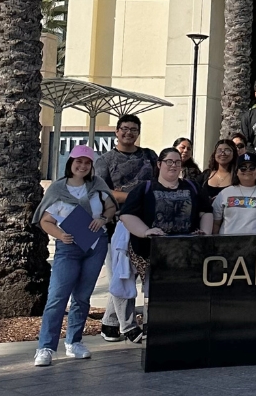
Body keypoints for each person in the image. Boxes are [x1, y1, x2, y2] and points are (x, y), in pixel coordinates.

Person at [32, 145, 116, 366]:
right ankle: (46, 347)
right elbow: (45, 220)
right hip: (68, 248)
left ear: (91, 166)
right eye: (78, 161)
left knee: (82, 296)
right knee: (57, 297)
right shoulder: (57, 189)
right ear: (70, 163)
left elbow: (110, 208)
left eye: (87, 163)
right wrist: (60, 234)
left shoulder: (97, 186)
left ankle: (74, 342)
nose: (82, 166)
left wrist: (103, 219)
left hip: (95, 246)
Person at [119, 147, 213, 322]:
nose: (173, 165)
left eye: (177, 162)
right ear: (159, 164)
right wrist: (146, 232)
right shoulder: (144, 188)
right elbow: (127, 215)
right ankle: (153, 330)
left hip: (186, 255)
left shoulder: (193, 187)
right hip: (152, 256)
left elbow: (206, 212)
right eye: (169, 161)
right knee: (155, 298)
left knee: (183, 297)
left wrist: (205, 232)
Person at [93, 114, 156, 344]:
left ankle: (110, 324)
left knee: (131, 274)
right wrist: (136, 197)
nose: (128, 133)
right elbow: (103, 192)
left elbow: (157, 187)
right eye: (124, 129)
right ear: (116, 132)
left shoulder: (149, 156)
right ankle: (128, 326)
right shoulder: (105, 160)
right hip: (115, 225)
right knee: (121, 274)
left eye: (133, 129)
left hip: (145, 224)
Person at [211, 154, 256, 235]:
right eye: (243, 168)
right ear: (236, 172)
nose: (248, 170)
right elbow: (215, 223)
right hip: (227, 245)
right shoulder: (224, 193)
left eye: (252, 167)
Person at [200, 139, 236, 206]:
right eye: (219, 150)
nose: (223, 153)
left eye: (227, 150)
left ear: (234, 153)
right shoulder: (206, 174)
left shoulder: (237, 176)